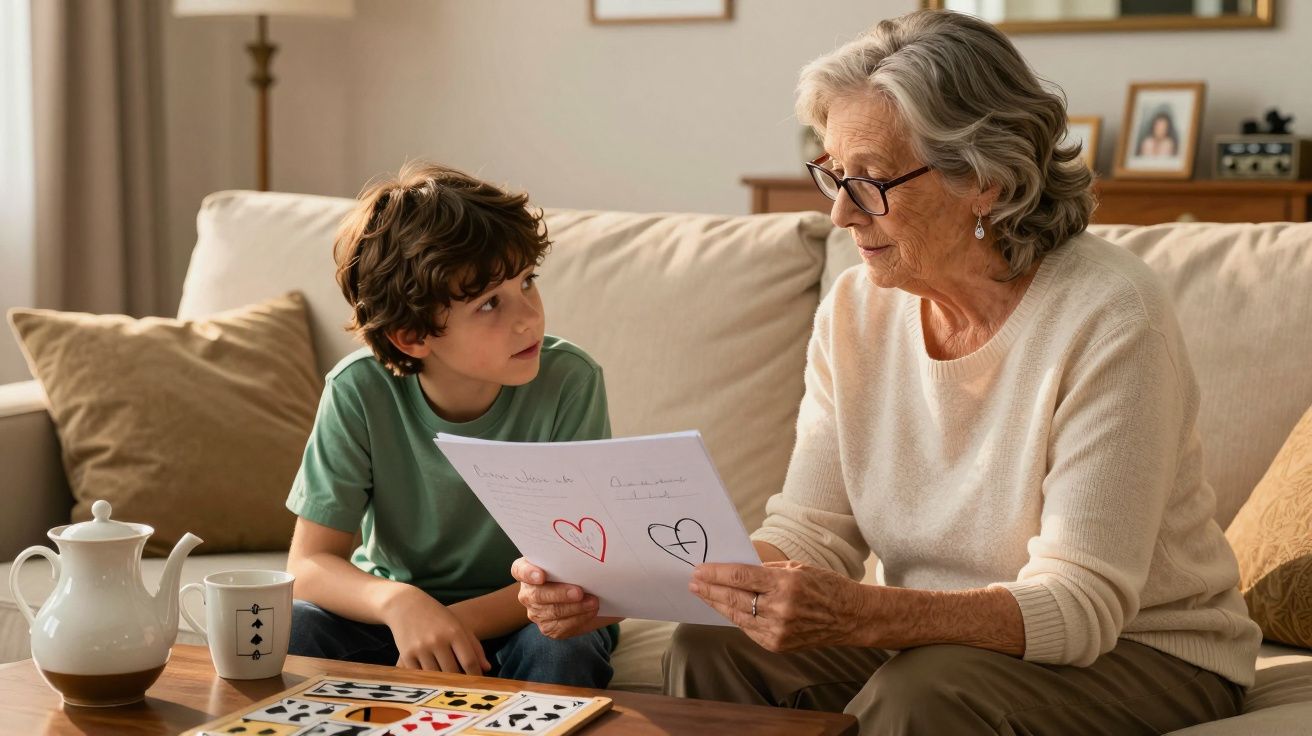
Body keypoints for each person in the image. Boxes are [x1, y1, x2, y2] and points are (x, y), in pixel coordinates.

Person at [513, 9, 1259, 733]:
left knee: (921, 694)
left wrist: (867, 613)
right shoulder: (856, 310)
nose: (841, 213)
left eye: (869, 180)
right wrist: (632, 585)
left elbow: (1081, 604)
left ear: (985, 180)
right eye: (833, 174)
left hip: (1142, 651)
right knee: (718, 645)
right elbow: (812, 531)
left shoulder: (1112, 314)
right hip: (937, 639)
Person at [285, 162, 615, 688]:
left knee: (563, 647)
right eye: (489, 304)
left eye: (527, 282)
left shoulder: (570, 381)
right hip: (398, 621)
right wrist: (399, 604)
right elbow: (308, 563)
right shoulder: (358, 390)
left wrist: (450, 625)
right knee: (296, 628)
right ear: (412, 336)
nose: (529, 317)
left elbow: (580, 566)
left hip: (528, 616)